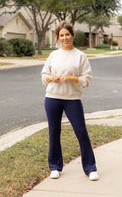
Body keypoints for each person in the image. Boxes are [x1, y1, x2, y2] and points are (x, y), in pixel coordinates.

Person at [41, 21, 98, 181]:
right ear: (58, 38)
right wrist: (51, 78)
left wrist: (71, 78)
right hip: (52, 98)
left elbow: (86, 80)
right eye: (61, 35)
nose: (64, 38)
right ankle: (55, 166)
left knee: (81, 132)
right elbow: (43, 76)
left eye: (67, 34)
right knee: (54, 132)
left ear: (72, 36)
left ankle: (90, 168)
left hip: (72, 99)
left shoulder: (80, 56)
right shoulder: (53, 55)